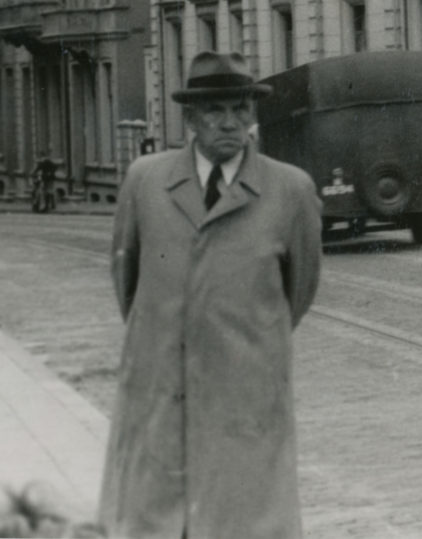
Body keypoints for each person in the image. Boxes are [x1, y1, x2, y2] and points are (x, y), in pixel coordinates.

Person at [98, 51, 322, 539]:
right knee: (158, 523)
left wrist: (240, 339)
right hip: (159, 394)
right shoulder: (146, 182)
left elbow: (297, 294)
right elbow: (128, 282)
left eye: (241, 110)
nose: (231, 123)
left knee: (243, 522)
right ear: (191, 118)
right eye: (216, 111)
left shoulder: (290, 191)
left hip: (244, 402)